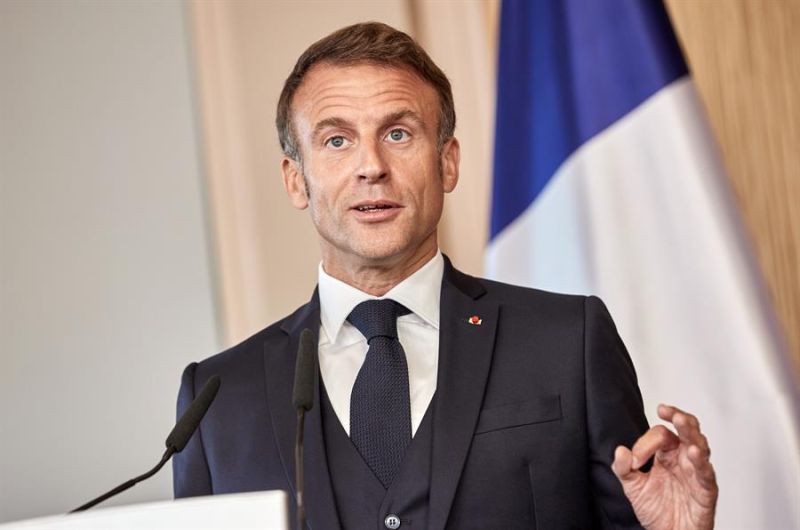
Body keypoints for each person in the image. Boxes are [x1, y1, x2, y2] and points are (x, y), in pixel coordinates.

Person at [173, 22, 718, 530]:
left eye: (399, 133)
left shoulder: (567, 340)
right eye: (337, 140)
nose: (371, 166)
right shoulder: (217, 399)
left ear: (447, 161)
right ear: (296, 180)